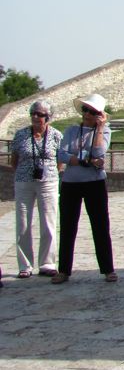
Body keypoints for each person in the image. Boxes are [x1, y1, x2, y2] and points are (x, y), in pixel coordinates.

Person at [53, 93, 116, 284]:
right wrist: (84, 161)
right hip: (71, 183)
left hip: (94, 183)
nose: (87, 114)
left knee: (100, 225)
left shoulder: (105, 131)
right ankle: (64, 270)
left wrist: (100, 127)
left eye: (92, 111)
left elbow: (99, 151)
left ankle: (108, 269)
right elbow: (62, 154)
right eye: (85, 109)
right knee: (67, 226)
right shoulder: (71, 130)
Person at [10, 99, 62, 278]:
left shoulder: (55, 135)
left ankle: (47, 263)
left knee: (48, 222)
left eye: (40, 114)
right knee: (23, 223)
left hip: (48, 182)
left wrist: (50, 173)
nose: (35, 117)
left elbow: (60, 161)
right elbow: (14, 160)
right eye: (33, 113)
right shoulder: (21, 135)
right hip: (24, 182)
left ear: (48, 117)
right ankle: (25, 265)